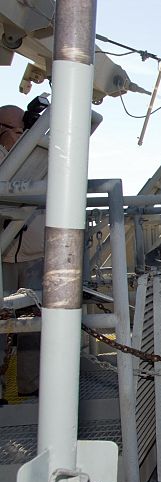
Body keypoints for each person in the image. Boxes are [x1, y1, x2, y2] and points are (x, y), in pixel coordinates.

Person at [0, 104, 43, 399]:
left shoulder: (38, 158)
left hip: (33, 254)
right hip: (3, 256)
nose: (24, 136)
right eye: (18, 131)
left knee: (34, 327)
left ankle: (31, 388)